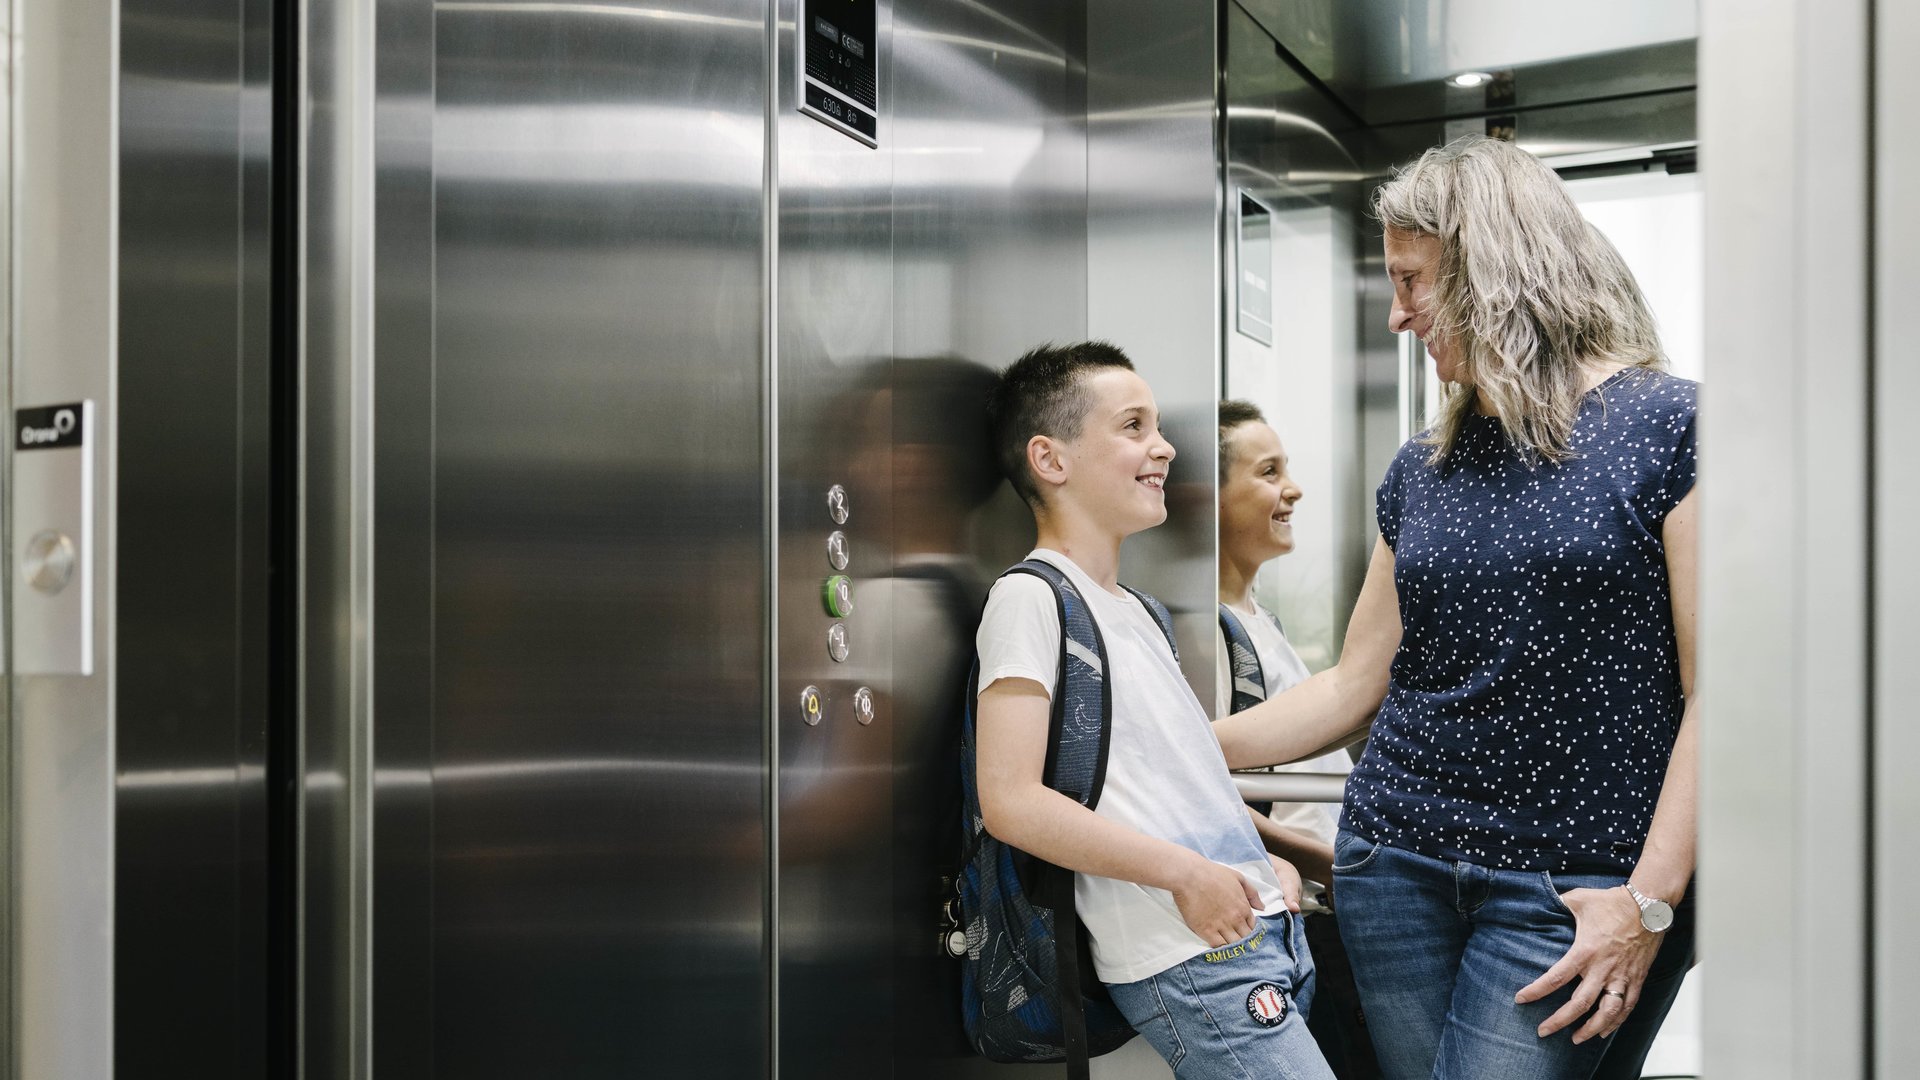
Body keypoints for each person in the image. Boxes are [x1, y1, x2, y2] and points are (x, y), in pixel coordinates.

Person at [1213, 134, 1699, 1080]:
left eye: (1412, 281)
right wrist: (1179, 746)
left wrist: (1650, 902)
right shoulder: (1423, 466)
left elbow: (1716, 693)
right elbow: (1358, 682)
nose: (1398, 315)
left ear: (1492, 272)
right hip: (1395, 867)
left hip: (1573, 888)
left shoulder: (1674, 429)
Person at [974, 341, 1334, 1080]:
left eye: (1157, 426)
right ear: (1050, 459)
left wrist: (1262, 860)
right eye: (1133, 426)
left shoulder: (1139, 612)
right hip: (1188, 952)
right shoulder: (1030, 597)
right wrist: (1187, 875)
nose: (1162, 447)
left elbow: (1180, 785)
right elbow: (1010, 801)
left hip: (1256, 930)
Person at [1214, 400, 1379, 1080]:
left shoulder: (1258, 620)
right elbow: (1207, 789)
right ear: (1211, 500)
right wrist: (1324, 862)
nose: (1294, 489)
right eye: (1268, 471)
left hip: (1329, 902)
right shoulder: (1211, 635)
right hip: (1306, 912)